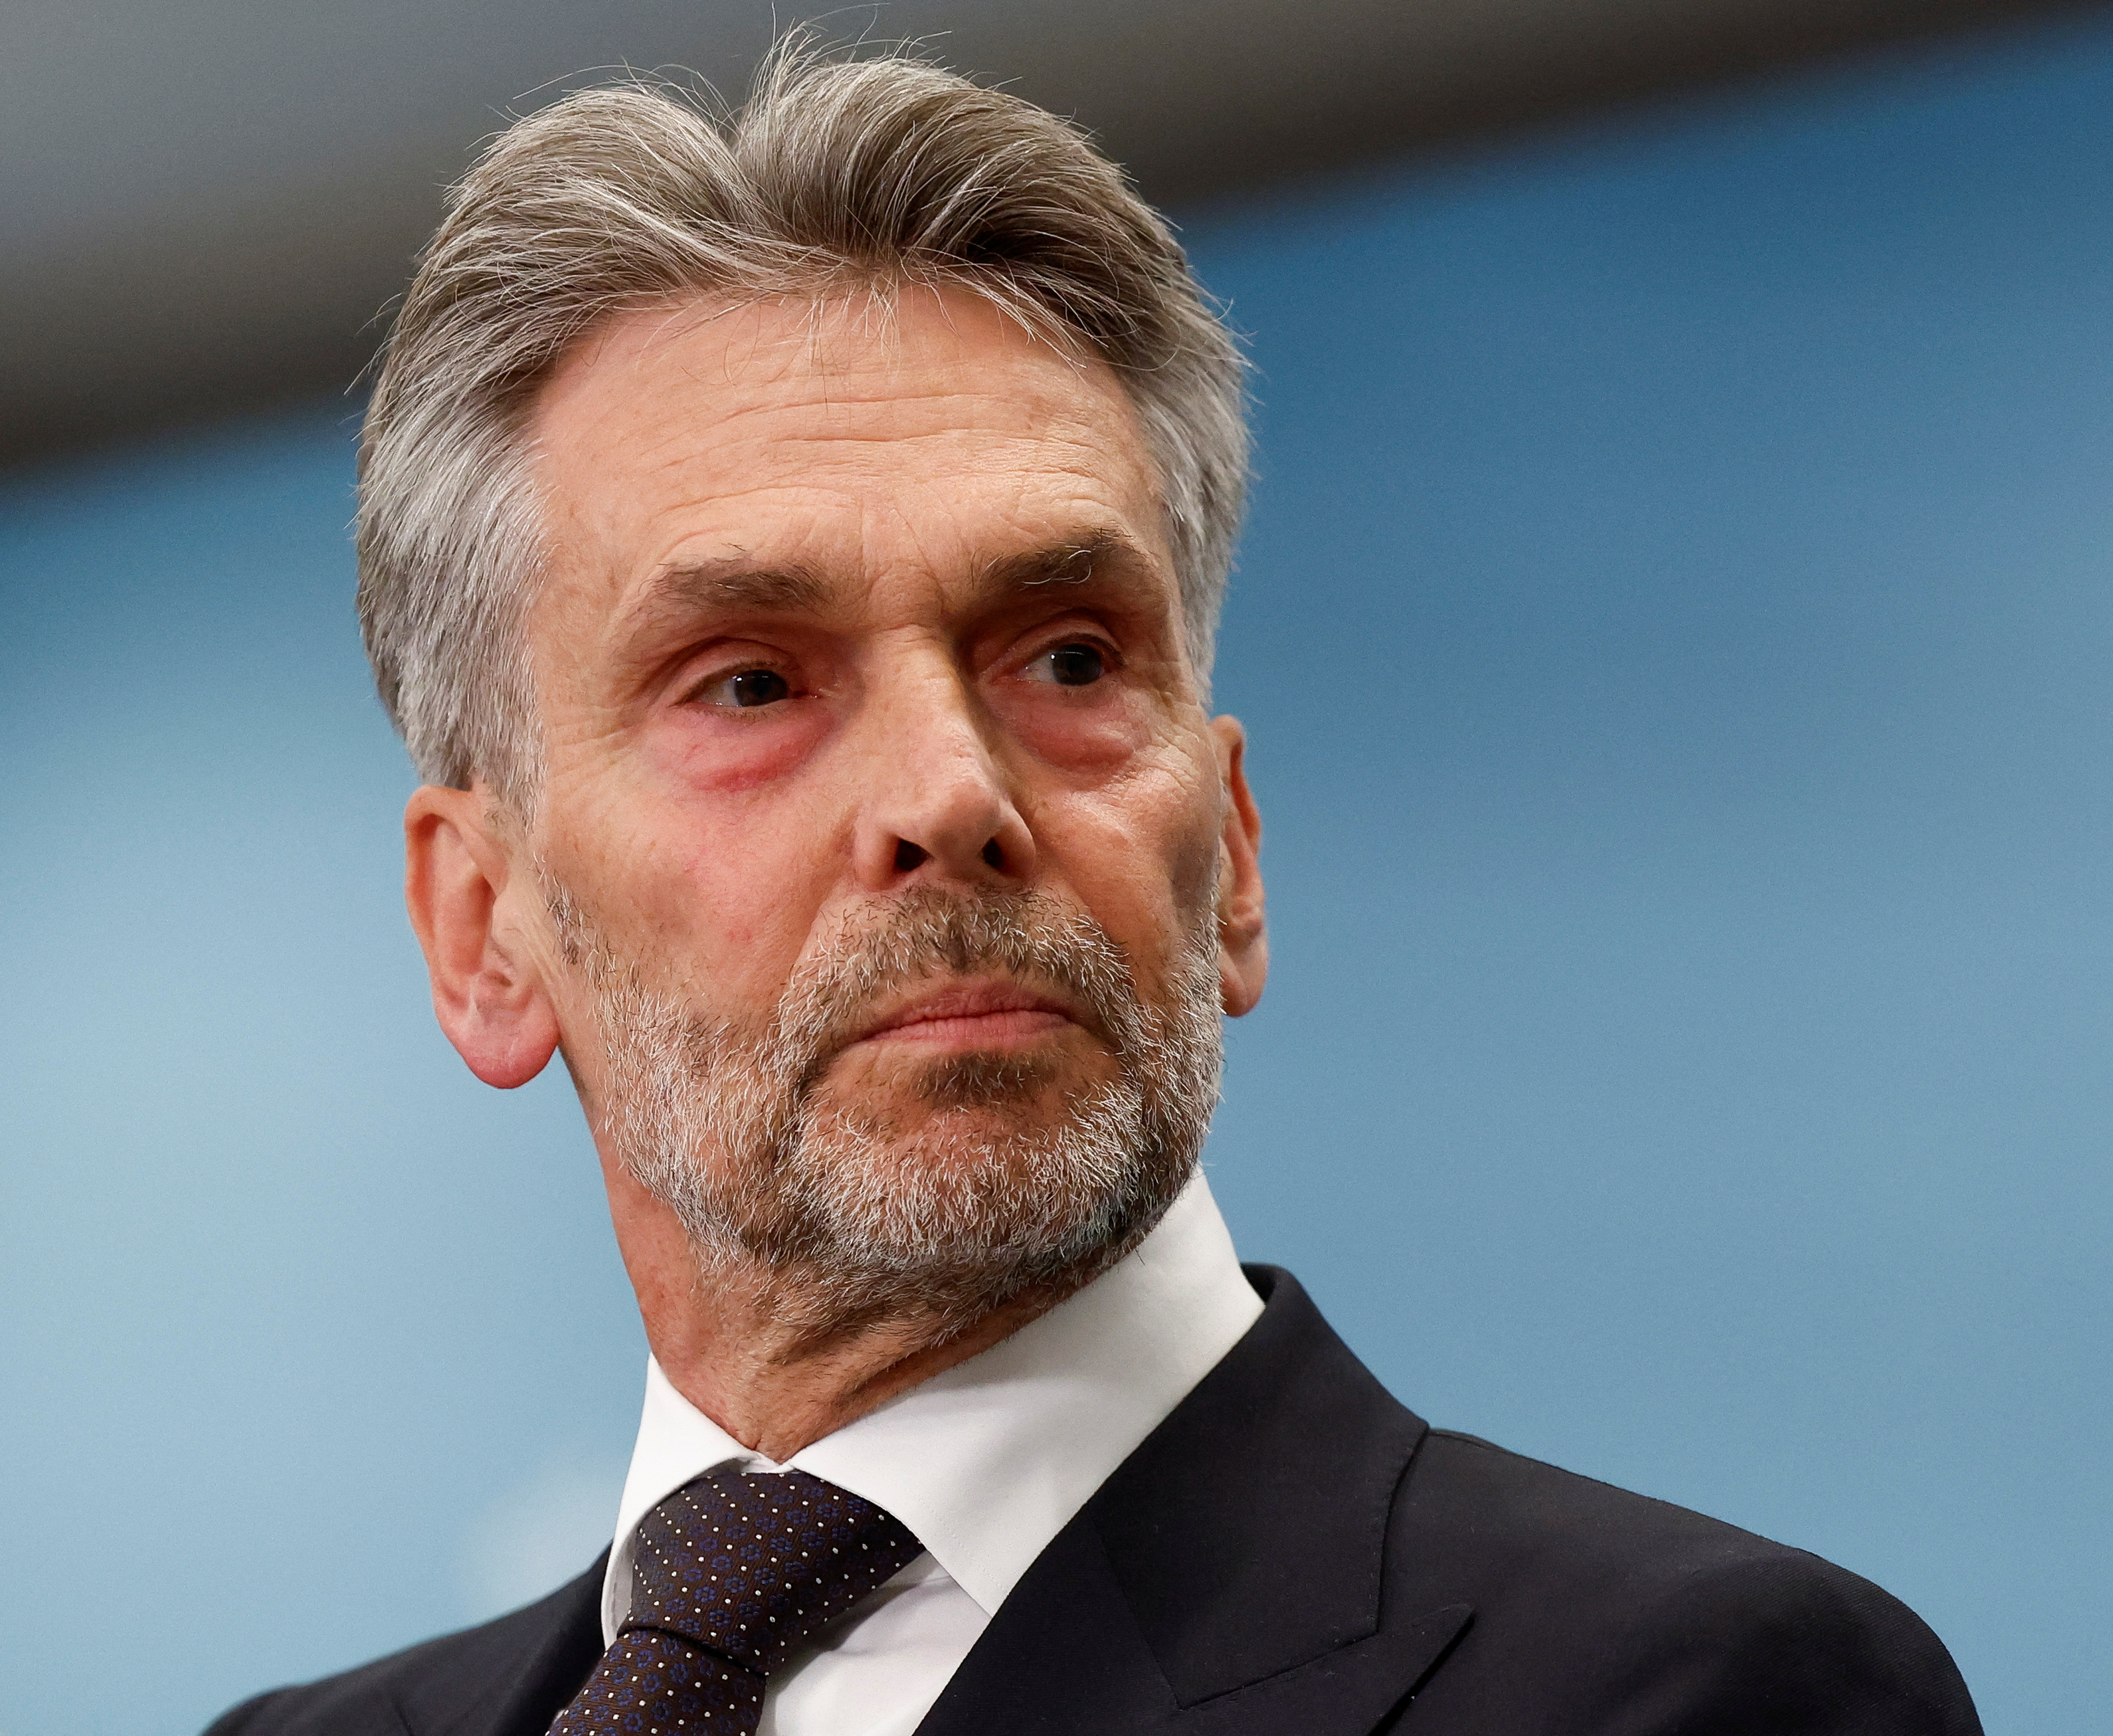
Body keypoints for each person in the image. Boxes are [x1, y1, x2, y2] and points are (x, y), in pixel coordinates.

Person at [205, 41, 1981, 1736]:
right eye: (750, 684)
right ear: (483, 929)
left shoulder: (1685, 1697)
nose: (952, 794)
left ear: (1234, 857)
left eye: (1067, 656)